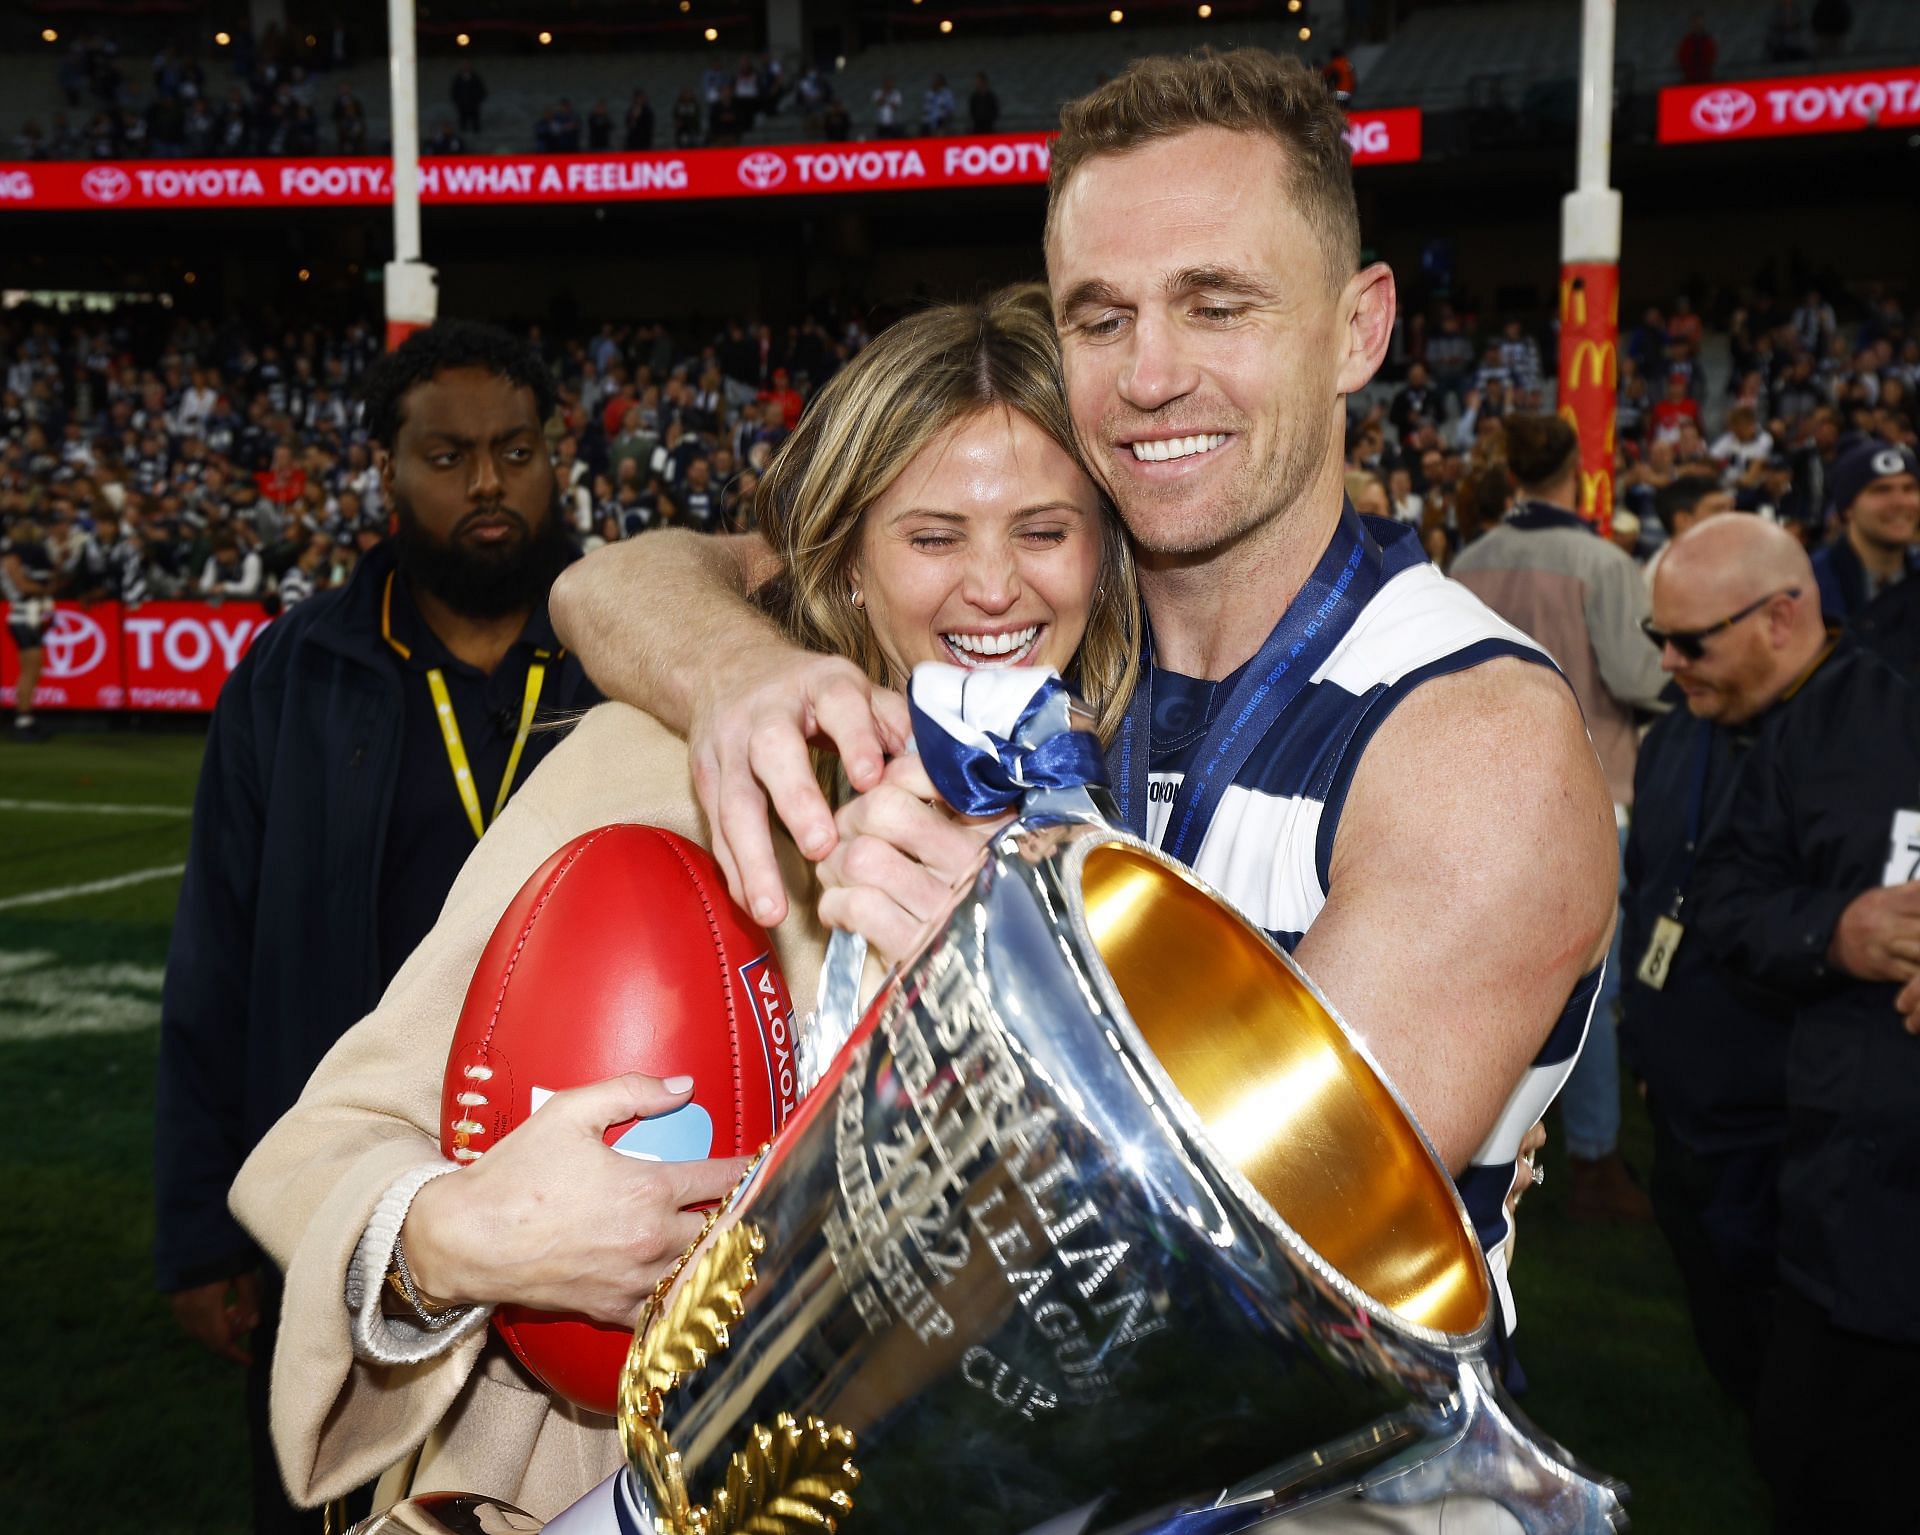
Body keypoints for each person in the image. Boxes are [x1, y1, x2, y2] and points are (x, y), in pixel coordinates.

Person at [552, 50, 1616, 1435]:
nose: (1151, 375)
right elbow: (617, 581)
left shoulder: (1468, 740)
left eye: (1217, 304)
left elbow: (1238, 1317)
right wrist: (751, 672)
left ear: (1358, 329)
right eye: (1100, 319)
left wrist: (1024, 996)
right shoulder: (1057, 646)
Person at [228, 290, 1140, 1519]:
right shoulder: (653, 762)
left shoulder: (1132, 826)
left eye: (1045, 530)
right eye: (932, 535)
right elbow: (335, 1133)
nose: (992, 584)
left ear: (1106, 553)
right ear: (849, 563)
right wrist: (456, 1238)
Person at [154, 322, 601, 1534]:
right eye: (447, 454)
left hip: (589, 1182)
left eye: (516, 448)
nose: (489, 482)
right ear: (387, 472)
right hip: (355, 1191)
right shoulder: (294, 673)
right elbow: (215, 961)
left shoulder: (621, 659)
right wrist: (205, 1232)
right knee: (337, 1500)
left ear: (557, 457)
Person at [1691, 618, 1919, 1531]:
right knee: (1816, 1471)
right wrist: (1834, 930)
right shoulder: (1854, 704)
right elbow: (1724, 897)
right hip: (1849, 1228)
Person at [1620, 515, 1837, 1413]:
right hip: (1688, 1123)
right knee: (1741, 1360)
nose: (1668, 660)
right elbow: (1651, 891)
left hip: (1800, 1142)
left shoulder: (1866, 749)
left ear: (1780, 619)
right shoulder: (1678, 737)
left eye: (1691, 640)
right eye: (1655, 637)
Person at [1450, 415, 1667, 1222]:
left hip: (1485, 800)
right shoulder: (1603, 563)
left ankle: (1490, 1150)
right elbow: (1645, 675)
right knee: (1592, 989)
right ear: (1576, 471)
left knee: (1496, 980)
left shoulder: (1469, 560)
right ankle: (1596, 1160)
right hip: (1591, 793)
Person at [1810, 438, 1919, 624]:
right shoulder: (1810, 584)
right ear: (1848, 508)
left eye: (1909, 489)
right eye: (1881, 490)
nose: (1901, 502)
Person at [2, 512, 57, 741]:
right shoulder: (12, 558)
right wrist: (45, 589)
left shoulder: (19, 556)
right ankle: (22, 720)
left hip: (26, 615)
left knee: (33, 671)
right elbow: (24, 587)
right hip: (23, 615)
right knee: (30, 671)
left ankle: (26, 718)